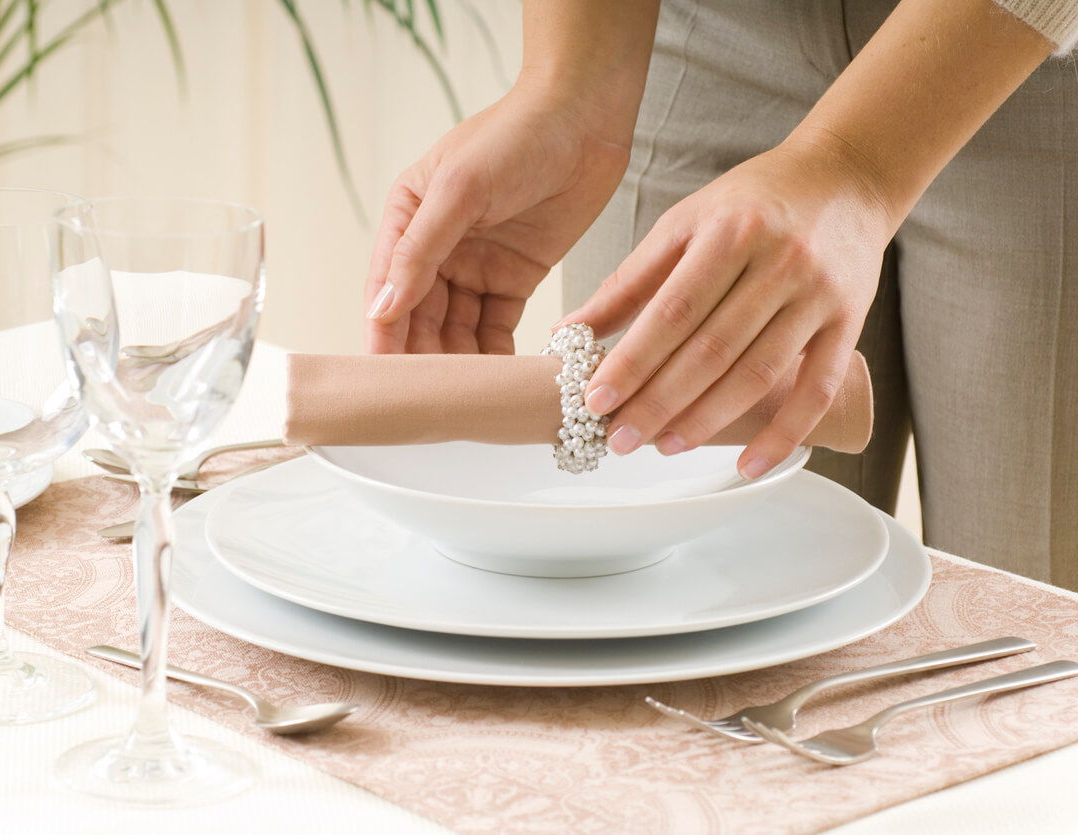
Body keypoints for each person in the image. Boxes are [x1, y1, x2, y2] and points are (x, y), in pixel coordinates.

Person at [363, 0, 1078, 587]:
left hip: (1029, 58)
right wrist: (569, 84)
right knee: (664, 584)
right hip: (687, 41)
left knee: (1029, 615)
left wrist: (855, 165)